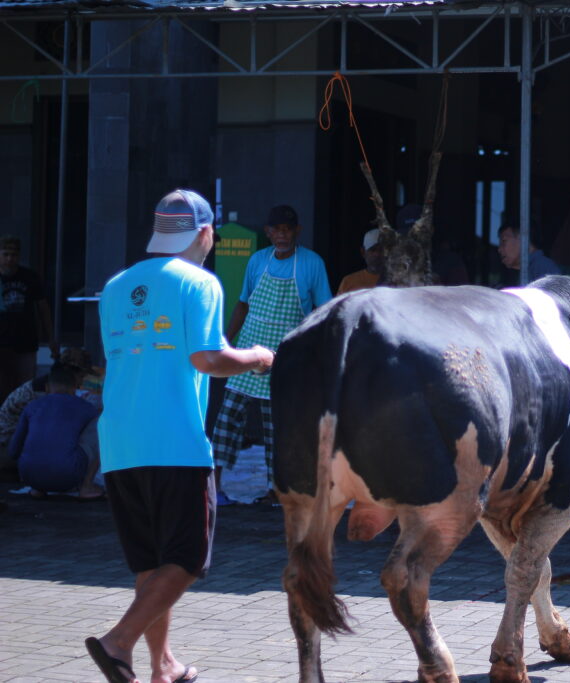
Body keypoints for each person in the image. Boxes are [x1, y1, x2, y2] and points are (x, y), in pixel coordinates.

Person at [85, 188, 274, 683]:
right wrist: (257, 356)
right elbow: (209, 360)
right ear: (206, 233)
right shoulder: (201, 284)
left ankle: (162, 666)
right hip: (175, 442)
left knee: (152, 562)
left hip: (120, 442)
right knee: (187, 559)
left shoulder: (116, 285)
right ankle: (117, 642)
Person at [213, 205, 331, 505]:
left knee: (274, 426)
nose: (282, 235)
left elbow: (324, 312)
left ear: (297, 231)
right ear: (268, 233)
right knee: (227, 420)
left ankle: (274, 489)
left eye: (287, 229)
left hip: (284, 357)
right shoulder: (257, 261)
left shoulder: (311, 264)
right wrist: (226, 342)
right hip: (249, 350)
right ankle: (212, 486)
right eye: (276, 230)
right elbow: (243, 305)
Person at [8, 362, 102, 499]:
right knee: (101, 423)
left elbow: (13, 450)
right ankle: (86, 487)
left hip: (28, 476)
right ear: (75, 389)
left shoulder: (32, 407)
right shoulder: (86, 407)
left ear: (46, 388)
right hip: (68, 475)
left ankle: (38, 488)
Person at [0, 347, 95, 474]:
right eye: (81, 376)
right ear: (68, 371)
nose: (81, 381)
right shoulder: (44, 393)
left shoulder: (49, 385)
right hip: (7, 450)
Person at [0, 234, 57, 402]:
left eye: (14, 254)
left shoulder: (29, 277)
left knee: (24, 388)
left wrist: (50, 336)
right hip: (1, 341)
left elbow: (43, 307)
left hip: (25, 340)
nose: (10, 259)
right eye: (6, 254)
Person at [337, 228, 383, 294]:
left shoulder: (398, 281)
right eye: (372, 250)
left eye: (382, 250)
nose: (377, 254)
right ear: (363, 252)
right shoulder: (348, 281)